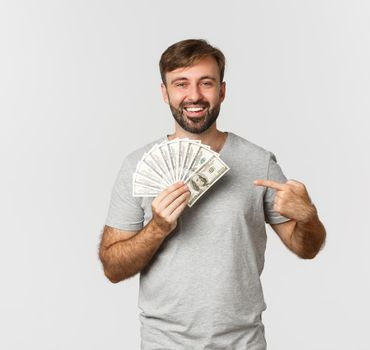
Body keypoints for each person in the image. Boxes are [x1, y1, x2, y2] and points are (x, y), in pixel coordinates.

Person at [99, 39, 326, 350]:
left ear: (222, 91)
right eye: (181, 84)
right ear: (165, 93)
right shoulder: (136, 165)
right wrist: (157, 229)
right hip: (164, 343)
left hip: (242, 342)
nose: (194, 95)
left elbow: (306, 248)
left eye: (206, 83)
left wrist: (308, 216)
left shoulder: (259, 162)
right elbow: (113, 267)